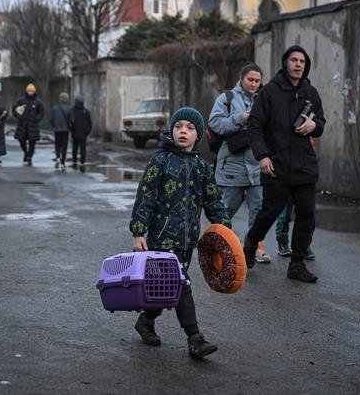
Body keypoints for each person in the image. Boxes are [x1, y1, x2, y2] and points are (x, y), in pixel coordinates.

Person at [129, 106, 231, 359]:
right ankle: (195, 338)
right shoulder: (160, 160)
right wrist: (139, 232)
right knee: (180, 284)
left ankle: (145, 321)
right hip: (161, 239)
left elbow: (213, 201)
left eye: (189, 128)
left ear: (199, 135)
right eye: (178, 127)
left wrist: (224, 230)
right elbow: (146, 198)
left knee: (165, 290)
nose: (183, 132)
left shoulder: (202, 167)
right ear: (171, 130)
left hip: (187, 241)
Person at [243, 45, 325, 283]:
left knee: (306, 214)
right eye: (294, 60)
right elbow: (255, 127)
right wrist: (262, 156)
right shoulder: (269, 92)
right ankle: (251, 242)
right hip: (275, 164)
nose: (298, 64)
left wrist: (314, 126)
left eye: (302, 61)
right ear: (285, 63)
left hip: (304, 165)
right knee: (270, 212)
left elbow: (321, 121)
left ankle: (297, 264)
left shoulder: (311, 92)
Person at [209, 62, 270, 263]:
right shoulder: (227, 98)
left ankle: (255, 248)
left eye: (257, 81)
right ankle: (218, 246)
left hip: (257, 164)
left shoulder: (266, 98)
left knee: (259, 211)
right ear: (241, 78)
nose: (253, 84)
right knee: (226, 210)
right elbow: (215, 123)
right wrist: (240, 118)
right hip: (231, 164)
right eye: (250, 80)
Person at [12, 83, 44, 166]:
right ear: (26, 91)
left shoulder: (38, 102)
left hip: (33, 125)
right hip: (23, 125)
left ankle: (29, 157)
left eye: (32, 91)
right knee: (21, 140)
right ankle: (25, 152)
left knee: (32, 142)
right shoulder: (21, 100)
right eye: (29, 91)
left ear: (34, 91)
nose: (30, 92)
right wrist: (18, 116)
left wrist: (37, 119)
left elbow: (41, 112)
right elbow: (14, 108)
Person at [68, 96, 92, 172]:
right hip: (83, 133)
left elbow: (70, 121)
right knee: (82, 148)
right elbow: (90, 123)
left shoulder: (72, 110)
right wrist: (87, 131)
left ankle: (74, 160)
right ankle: (82, 161)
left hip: (75, 132)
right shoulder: (86, 111)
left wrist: (71, 129)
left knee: (75, 148)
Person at [50, 92, 71, 172]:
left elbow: (51, 119)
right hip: (65, 130)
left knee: (57, 145)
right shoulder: (69, 108)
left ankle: (58, 157)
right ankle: (63, 163)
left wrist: (54, 126)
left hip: (57, 130)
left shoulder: (55, 108)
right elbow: (71, 119)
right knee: (64, 146)